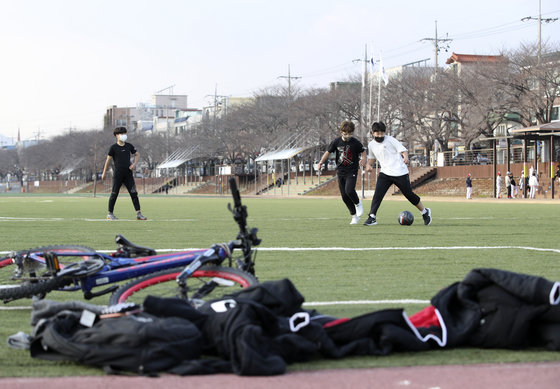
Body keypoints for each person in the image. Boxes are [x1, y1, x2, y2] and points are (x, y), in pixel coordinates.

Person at [363, 122, 431, 226]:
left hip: (400, 172)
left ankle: (425, 212)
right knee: (378, 195)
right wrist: (368, 165)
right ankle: (372, 217)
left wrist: (405, 157)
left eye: (382, 133)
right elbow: (372, 158)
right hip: (385, 173)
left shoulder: (390, 140)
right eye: (378, 134)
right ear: (373, 133)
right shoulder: (371, 145)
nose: (380, 136)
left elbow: (403, 150)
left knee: (409, 195)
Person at [316, 120, 366, 224]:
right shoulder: (336, 142)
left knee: (349, 190)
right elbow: (327, 152)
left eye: (350, 134)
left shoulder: (355, 142)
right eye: (345, 134)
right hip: (340, 171)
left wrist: (364, 159)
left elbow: (363, 151)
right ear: (341, 132)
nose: (348, 136)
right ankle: (354, 216)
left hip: (352, 170)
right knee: (344, 196)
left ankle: (358, 203)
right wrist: (321, 162)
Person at [101, 127, 147, 220]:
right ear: (116, 136)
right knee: (114, 193)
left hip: (128, 174)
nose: (123, 135)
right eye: (121, 134)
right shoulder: (113, 148)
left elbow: (137, 154)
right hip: (118, 174)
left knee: (134, 193)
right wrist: (104, 173)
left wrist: (134, 164)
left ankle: (139, 214)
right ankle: (110, 214)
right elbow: (108, 160)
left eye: (124, 133)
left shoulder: (129, 146)